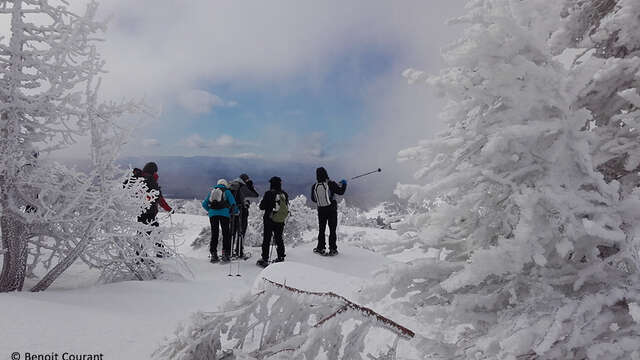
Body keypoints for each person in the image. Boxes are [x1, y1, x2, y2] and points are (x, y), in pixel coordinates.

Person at [133, 162, 173, 258]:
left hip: (140, 211)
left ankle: (140, 255)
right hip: (149, 213)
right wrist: (169, 209)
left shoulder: (139, 179)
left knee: (142, 233)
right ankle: (147, 255)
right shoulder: (150, 181)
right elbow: (159, 198)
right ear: (153, 171)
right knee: (154, 232)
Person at [311, 167, 347, 256]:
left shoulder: (315, 186)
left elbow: (313, 199)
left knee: (321, 230)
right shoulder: (330, 184)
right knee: (332, 230)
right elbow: (341, 192)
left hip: (321, 210)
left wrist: (322, 200)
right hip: (331, 209)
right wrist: (344, 184)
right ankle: (333, 249)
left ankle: (320, 247)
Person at [202, 179, 237, 263]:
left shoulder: (212, 191)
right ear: (225, 184)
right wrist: (236, 211)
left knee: (214, 233)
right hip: (224, 214)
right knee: (225, 233)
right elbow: (233, 204)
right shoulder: (227, 192)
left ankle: (214, 254)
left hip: (213, 215)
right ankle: (225, 254)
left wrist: (210, 211)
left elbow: (204, 204)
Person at [257, 176, 288, 267]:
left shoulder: (268, 193)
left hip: (269, 219)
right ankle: (281, 257)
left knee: (267, 239)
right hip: (280, 220)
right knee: (279, 238)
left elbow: (261, 207)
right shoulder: (284, 194)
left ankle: (265, 258)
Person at [228, 173, 259, 258]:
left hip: (232, 212)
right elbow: (255, 195)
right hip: (242, 212)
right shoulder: (243, 187)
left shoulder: (231, 186)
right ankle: (239, 252)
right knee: (241, 232)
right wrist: (250, 186)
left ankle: (229, 251)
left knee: (232, 232)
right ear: (246, 180)